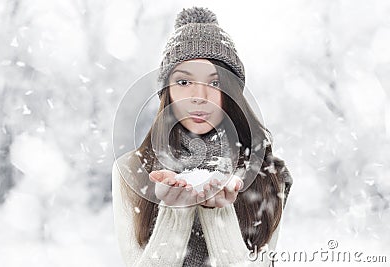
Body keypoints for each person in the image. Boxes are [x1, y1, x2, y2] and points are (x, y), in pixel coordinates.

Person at [112, 6, 293, 267]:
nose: (200, 97)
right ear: (167, 92)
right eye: (184, 82)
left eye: (214, 83)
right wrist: (176, 213)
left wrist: (217, 212)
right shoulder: (130, 170)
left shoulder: (268, 175)